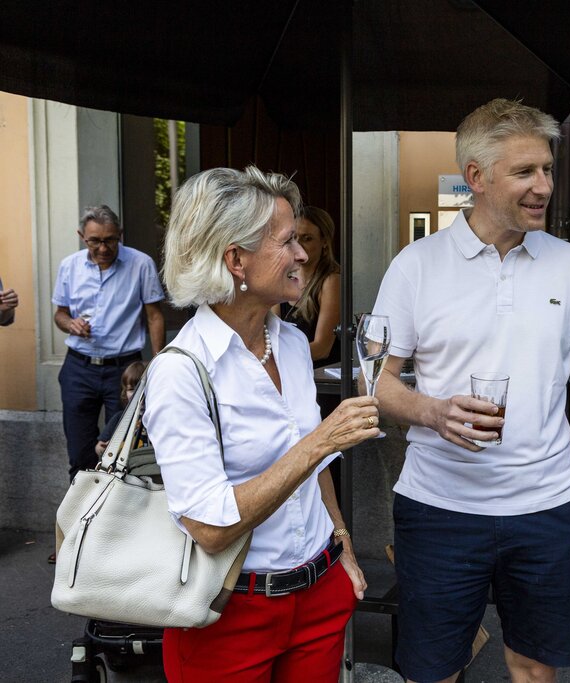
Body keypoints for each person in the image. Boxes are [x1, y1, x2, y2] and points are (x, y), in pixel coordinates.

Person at [370, 98, 570, 683]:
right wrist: (430, 410)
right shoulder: (415, 266)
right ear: (476, 178)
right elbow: (372, 379)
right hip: (439, 510)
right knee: (434, 670)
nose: (544, 186)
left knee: (533, 665)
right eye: (525, 172)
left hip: (550, 508)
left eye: (548, 170)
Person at [143, 166, 380, 682]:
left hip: (319, 597)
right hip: (228, 613)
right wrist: (321, 442)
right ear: (236, 260)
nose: (303, 254)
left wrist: (341, 546)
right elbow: (209, 528)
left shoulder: (291, 343)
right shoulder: (182, 371)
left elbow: (315, 467)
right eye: (288, 240)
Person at [52, 206, 166, 480]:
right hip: (78, 368)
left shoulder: (140, 264)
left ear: (120, 235)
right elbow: (59, 314)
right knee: (80, 453)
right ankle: (79, 519)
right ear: (83, 237)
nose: (103, 248)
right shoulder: (70, 266)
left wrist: (159, 364)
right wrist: (71, 324)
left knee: (123, 451)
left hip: (124, 370)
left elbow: (154, 317)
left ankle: (114, 519)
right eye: (95, 241)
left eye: (110, 240)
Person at [280, 206, 342, 367]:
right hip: (286, 375)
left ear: (324, 242)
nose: (298, 245)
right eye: (293, 238)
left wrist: (273, 359)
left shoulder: (331, 281)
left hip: (319, 380)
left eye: (307, 238)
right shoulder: (282, 278)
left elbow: (322, 348)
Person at [93, 360, 147, 458]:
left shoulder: (159, 419)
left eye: (143, 389)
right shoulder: (119, 418)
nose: (138, 395)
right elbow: (99, 447)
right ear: (125, 392)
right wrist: (104, 448)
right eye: (131, 389)